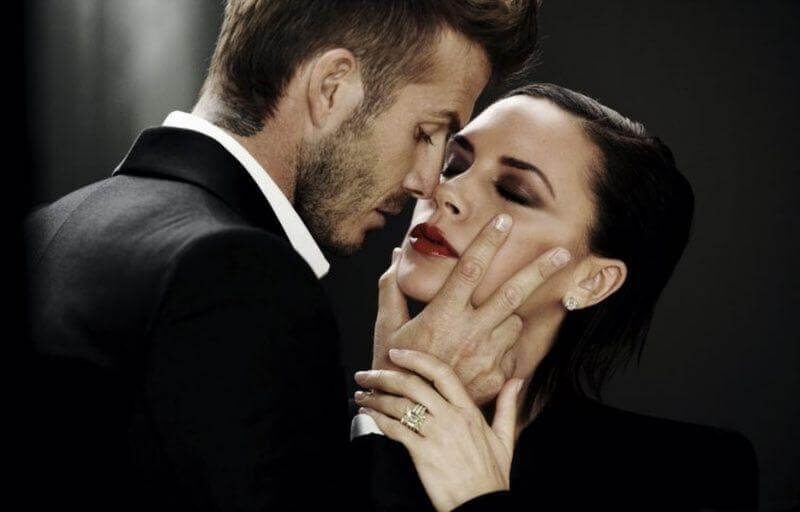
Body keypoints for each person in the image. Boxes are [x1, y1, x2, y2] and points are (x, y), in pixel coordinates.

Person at [21, 1, 544, 511]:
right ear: (332, 87)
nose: (427, 182)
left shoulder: (47, 226)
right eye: (426, 132)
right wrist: (410, 407)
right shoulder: (237, 277)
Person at [350, 84, 759, 511]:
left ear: (592, 281)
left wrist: (478, 499)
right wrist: (388, 418)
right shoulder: (311, 409)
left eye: (514, 192)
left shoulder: (690, 474)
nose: (444, 191)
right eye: (453, 166)